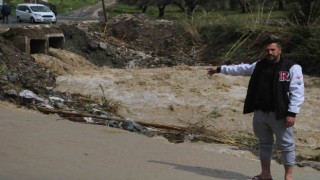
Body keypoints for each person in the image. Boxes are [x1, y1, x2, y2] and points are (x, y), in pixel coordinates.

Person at [207, 38, 304, 180]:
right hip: (260, 113)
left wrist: (292, 113)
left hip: (280, 114)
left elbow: (298, 92)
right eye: (267, 50)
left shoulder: (292, 67)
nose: (269, 52)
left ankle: (288, 176)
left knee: (286, 146)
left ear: (279, 51)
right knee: (264, 144)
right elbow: (240, 68)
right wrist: (220, 69)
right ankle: (265, 174)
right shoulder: (259, 65)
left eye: (272, 50)